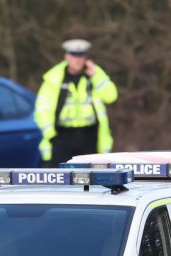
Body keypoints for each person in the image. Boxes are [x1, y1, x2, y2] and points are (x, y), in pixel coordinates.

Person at [33, 39, 118, 167]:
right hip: (61, 136)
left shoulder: (93, 75)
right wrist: (51, 136)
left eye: (81, 56)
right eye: (74, 56)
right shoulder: (54, 78)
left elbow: (111, 96)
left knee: (91, 182)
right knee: (60, 181)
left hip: (89, 137)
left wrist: (96, 75)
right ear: (66, 56)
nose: (77, 60)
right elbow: (41, 110)